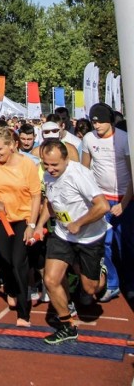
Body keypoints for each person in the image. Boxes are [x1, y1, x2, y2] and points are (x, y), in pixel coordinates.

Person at [35, 139, 110, 344]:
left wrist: (79, 223)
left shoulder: (78, 175)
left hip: (89, 237)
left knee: (90, 288)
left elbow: (103, 206)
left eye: (54, 165)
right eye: (46, 164)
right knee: (50, 279)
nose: (50, 169)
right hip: (63, 234)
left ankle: (99, 271)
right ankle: (67, 325)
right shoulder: (49, 176)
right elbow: (50, 203)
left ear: (66, 160)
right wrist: (39, 225)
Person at [0, 127, 41, 327]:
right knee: (4, 259)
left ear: (12, 146)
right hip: (1, 217)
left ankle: (24, 313)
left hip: (23, 217)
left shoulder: (27, 165)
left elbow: (36, 196)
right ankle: (10, 288)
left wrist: (32, 224)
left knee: (18, 262)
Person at [82, 102, 134, 302]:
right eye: (94, 122)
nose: (97, 126)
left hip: (124, 199)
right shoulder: (88, 139)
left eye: (101, 122)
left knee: (126, 244)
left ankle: (130, 282)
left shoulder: (124, 140)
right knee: (105, 243)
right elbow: (85, 170)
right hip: (101, 199)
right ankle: (112, 283)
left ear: (110, 121)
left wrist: (125, 202)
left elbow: (132, 175)